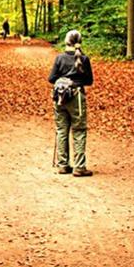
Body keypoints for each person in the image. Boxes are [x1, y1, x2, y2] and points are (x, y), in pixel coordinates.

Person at [48, 29, 93, 176]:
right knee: (79, 130)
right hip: (77, 96)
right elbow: (89, 81)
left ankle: (63, 165)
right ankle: (79, 167)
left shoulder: (59, 58)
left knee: (61, 130)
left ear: (66, 41)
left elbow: (51, 79)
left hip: (60, 97)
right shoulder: (84, 59)